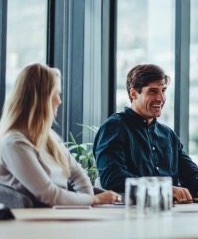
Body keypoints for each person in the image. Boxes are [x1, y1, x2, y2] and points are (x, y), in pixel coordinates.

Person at [0, 63, 120, 207]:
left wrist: (87, 203)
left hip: (56, 215)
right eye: (57, 94)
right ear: (42, 99)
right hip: (33, 223)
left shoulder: (48, 137)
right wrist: (93, 200)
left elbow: (77, 174)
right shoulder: (14, 144)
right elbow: (48, 194)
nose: (60, 100)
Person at [94, 64, 198, 204]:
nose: (161, 98)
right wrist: (163, 189)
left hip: (171, 215)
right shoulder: (114, 127)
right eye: (153, 91)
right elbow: (113, 177)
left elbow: (190, 172)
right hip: (130, 215)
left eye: (163, 91)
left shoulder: (167, 134)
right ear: (134, 93)